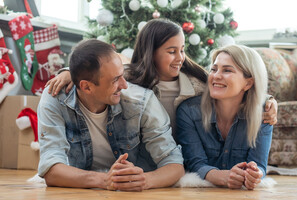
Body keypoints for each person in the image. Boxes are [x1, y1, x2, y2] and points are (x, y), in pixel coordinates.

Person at [46, 19, 278, 137]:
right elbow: (98, 69)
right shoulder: (129, 80)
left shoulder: (197, 82)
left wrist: (268, 100)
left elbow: (230, 85)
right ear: (151, 52)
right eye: (171, 51)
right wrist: (67, 72)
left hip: (183, 157)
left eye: (183, 49)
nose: (180, 58)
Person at [37, 39, 184, 191]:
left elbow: (174, 164)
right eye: (115, 80)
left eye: (122, 75)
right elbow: (51, 169)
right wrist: (104, 180)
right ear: (86, 87)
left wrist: (146, 180)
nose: (124, 85)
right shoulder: (55, 100)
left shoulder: (141, 101)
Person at [176, 45, 272, 190]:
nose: (216, 76)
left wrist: (255, 174)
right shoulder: (189, 111)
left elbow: (259, 164)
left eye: (227, 70)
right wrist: (221, 176)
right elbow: (196, 163)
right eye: (214, 69)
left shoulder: (265, 113)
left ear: (248, 83)